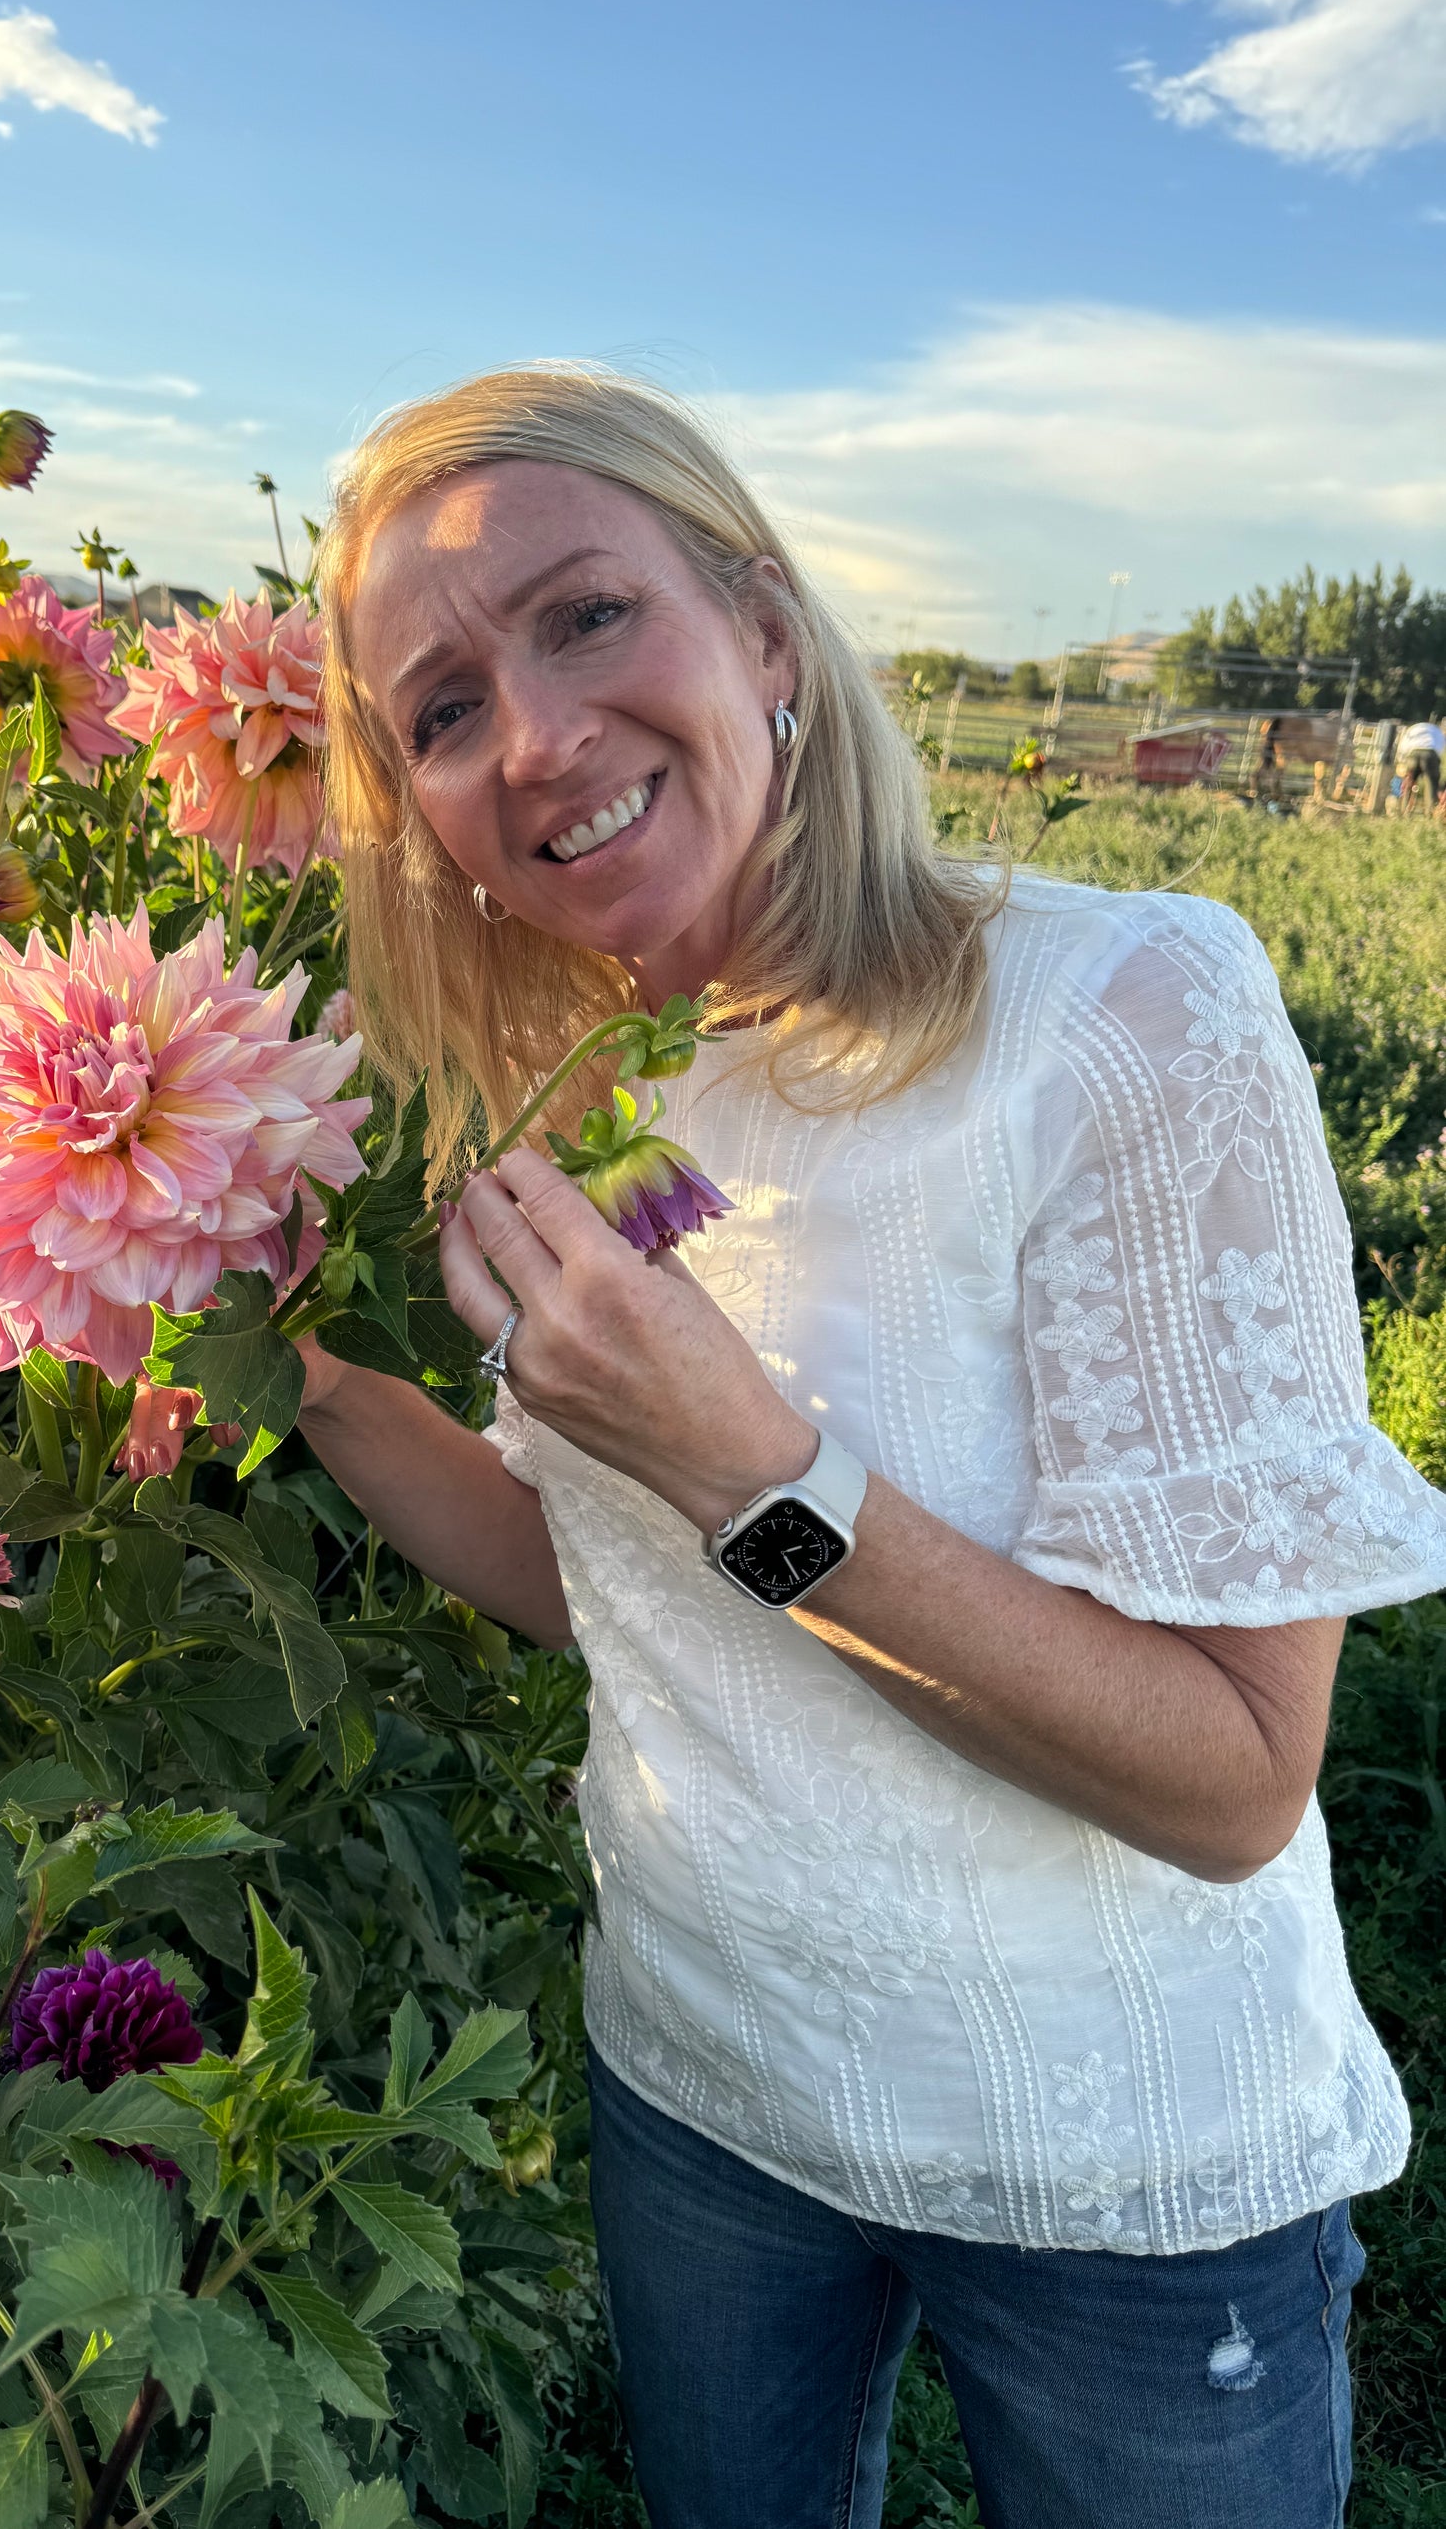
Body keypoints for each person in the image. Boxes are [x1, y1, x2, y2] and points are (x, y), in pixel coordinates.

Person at [294, 364, 1446, 2529]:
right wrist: (303, 1377)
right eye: (440, 711)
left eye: (584, 615)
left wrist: (753, 1474)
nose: (530, 737)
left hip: (1112, 2159)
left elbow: (1231, 1779)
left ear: (761, 624)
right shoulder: (588, 1094)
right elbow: (610, 1589)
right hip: (703, 2087)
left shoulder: (1121, 1018)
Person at [1394, 714, 1443, 815]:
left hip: (1413, 753)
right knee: (1431, 784)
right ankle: (1430, 812)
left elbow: (1403, 745)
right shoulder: (1435, 729)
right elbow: (1442, 745)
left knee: (1409, 781)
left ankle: (1404, 810)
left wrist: (1401, 760)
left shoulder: (1413, 728)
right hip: (1430, 754)